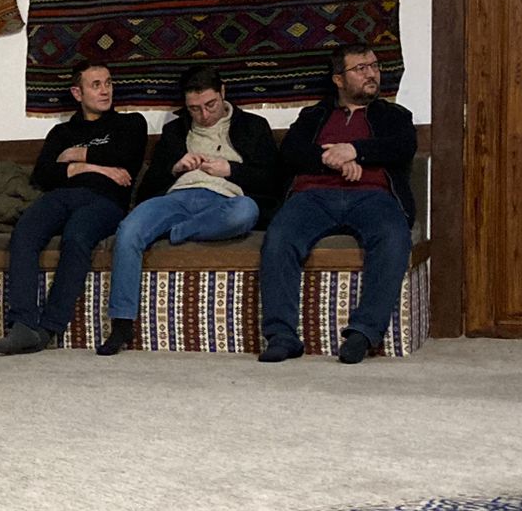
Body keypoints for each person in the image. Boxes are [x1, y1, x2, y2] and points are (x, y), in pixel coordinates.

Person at [97, 65, 283, 357]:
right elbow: (146, 189)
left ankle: (175, 233)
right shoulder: (175, 131)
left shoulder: (253, 126)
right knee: (129, 228)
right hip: (178, 197)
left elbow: (273, 181)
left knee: (246, 212)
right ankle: (121, 323)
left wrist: (231, 170)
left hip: (225, 199)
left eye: (210, 105)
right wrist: (175, 168)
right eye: (195, 109)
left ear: (223, 93)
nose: (204, 115)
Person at [259, 44, 416, 366]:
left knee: (393, 236)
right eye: (361, 68)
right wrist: (334, 159)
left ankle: (363, 333)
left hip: (373, 196)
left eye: (374, 66)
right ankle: (281, 336)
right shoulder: (313, 116)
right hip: (313, 196)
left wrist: (355, 150)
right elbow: (290, 153)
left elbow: (402, 147)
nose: (372, 74)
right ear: (339, 79)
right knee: (279, 237)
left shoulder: (394, 116)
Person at [0, 62, 148, 356]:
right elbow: (43, 174)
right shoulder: (62, 132)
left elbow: (127, 158)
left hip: (105, 200)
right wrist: (91, 167)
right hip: (61, 196)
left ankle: (48, 329)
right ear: (78, 93)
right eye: (96, 85)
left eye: (108, 83)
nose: (105, 91)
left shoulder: (130, 124)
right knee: (24, 233)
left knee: (76, 237)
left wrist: (76, 155)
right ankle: (22, 325)